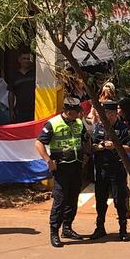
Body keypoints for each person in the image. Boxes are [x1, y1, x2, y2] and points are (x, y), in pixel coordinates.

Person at [35, 97, 88, 248]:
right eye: (76, 112)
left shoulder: (78, 122)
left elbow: (85, 138)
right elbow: (39, 143)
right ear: (68, 111)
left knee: (72, 198)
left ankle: (67, 228)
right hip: (61, 168)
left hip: (76, 167)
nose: (78, 115)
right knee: (60, 200)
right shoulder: (53, 123)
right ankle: (54, 232)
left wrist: (87, 154)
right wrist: (48, 161)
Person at [89, 100, 130, 242]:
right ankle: (100, 227)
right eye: (103, 113)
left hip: (117, 169)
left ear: (114, 114)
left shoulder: (123, 128)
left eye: (108, 113)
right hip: (101, 168)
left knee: (119, 200)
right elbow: (92, 146)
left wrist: (115, 146)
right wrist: (99, 147)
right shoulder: (98, 127)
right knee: (100, 200)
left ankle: (123, 229)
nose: (105, 116)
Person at [8, 52, 36, 123]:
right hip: (20, 111)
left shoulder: (35, 73)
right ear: (19, 60)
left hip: (35, 109)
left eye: (28, 59)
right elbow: (11, 93)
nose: (26, 61)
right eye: (24, 59)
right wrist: (11, 111)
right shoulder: (14, 76)